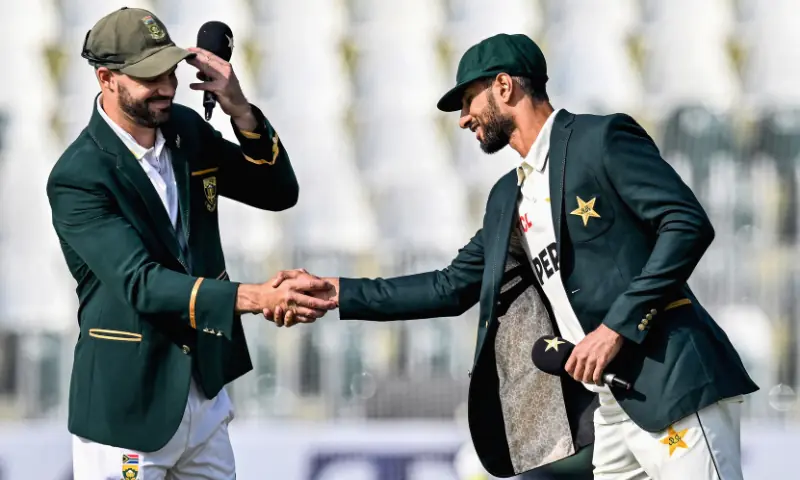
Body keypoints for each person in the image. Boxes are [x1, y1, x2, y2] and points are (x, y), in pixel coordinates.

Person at [268, 33, 759, 479]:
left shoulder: (599, 139)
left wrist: (615, 328)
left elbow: (688, 222)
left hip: (673, 385)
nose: (463, 118)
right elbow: (451, 286)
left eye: (467, 100)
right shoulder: (509, 195)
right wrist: (338, 293)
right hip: (613, 406)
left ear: (504, 86)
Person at [46, 7, 335, 480]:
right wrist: (258, 297)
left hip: (204, 390)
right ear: (106, 78)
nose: (165, 86)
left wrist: (239, 110)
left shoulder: (184, 127)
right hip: (128, 405)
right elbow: (141, 283)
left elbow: (279, 192)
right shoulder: (78, 175)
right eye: (147, 77)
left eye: (169, 71)